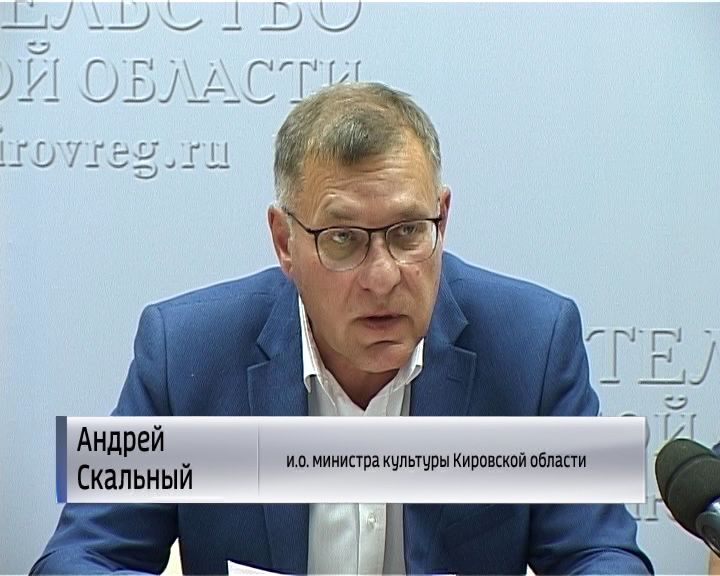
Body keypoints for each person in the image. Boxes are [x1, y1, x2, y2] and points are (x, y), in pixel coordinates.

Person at [32, 82, 653, 575]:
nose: (382, 277)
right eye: (343, 239)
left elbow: (602, 554)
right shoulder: (184, 349)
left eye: (408, 232)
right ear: (285, 241)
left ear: (442, 218)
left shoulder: (535, 343)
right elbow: (79, 557)